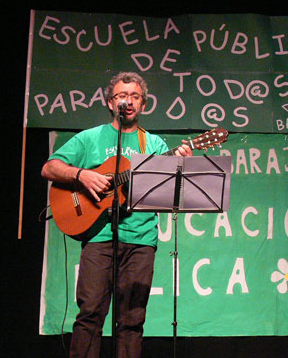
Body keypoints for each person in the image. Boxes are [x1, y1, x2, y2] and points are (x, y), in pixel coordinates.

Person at [41, 71, 192, 358]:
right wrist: (82, 174)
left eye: (135, 96)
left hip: (141, 239)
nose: (128, 101)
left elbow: (169, 194)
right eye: (122, 96)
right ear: (111, 102)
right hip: (99, 236)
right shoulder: (90, 138)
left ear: (143, 105)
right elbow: (49, 168)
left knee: (132, 321)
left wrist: (179, 165)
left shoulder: (156, 145)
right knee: (90, 315)